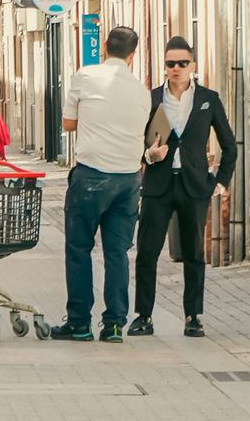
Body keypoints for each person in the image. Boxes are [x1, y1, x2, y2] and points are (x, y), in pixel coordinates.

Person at [131, 38, 238, 338]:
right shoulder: (151, 99)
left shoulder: (208, 99)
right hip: (158, 186)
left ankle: (193, 317)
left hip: (194, 186)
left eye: (182, 63)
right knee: (147, 252)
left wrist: (220, 181)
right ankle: (143, 316)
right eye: (170, 64)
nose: (176, 69)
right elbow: (134, 143)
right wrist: (148, 155)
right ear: (164, 67)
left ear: (192, 65)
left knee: (193, 254)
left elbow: (230, 146)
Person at [53, 26, 151, 344]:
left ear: (104, 46)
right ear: (132, 56)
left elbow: (68, 123)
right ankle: (113, 325)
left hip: (91, 176)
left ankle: (80, 323)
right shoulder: (142, 91)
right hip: (128, 180)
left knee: (79, 249)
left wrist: (94, 120)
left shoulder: (86, 75)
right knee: (117, 253)